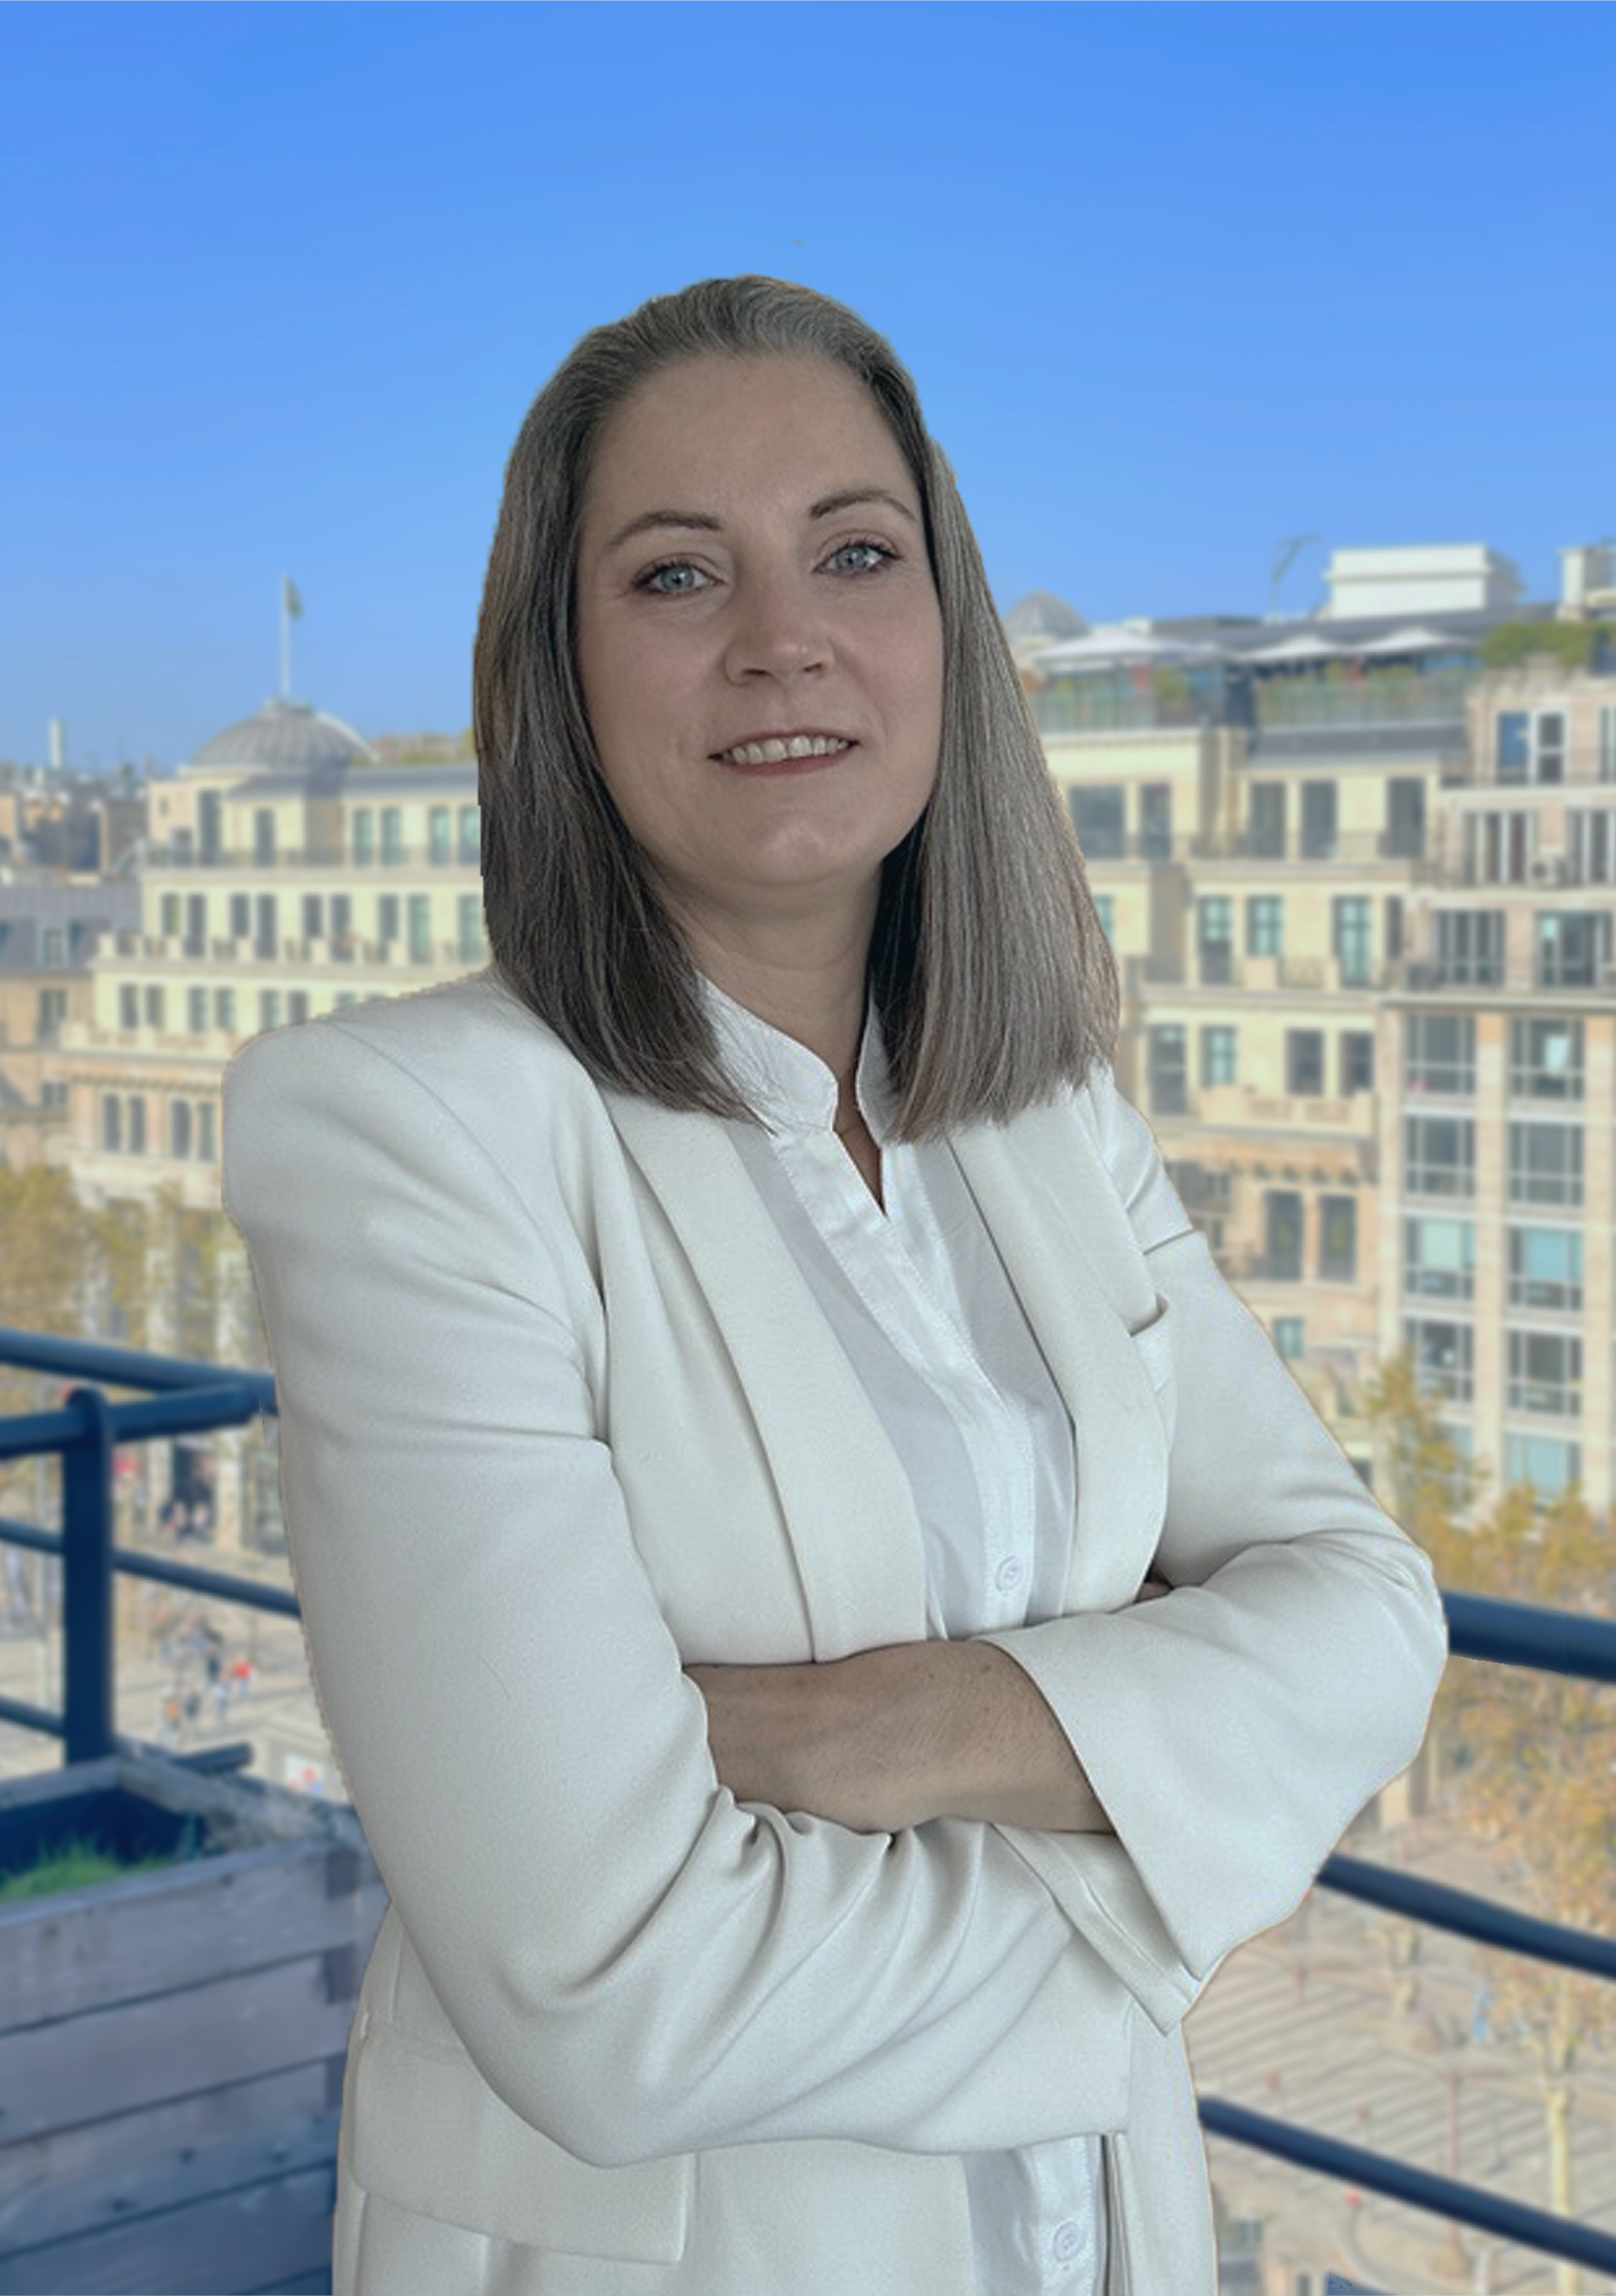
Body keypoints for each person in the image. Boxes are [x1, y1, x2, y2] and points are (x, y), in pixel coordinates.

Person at [221, 275, 1448, 2296]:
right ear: (556, 668)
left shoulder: (1048, 1114)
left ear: (944, 626)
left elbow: (1368, 1612)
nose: (779, 636)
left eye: (854, 553)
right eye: (675, 572)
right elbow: (622, 1992)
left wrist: (900, 1726)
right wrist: (1174, 1852)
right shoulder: (410, 1132)